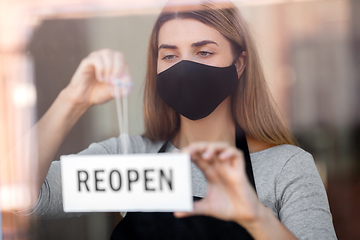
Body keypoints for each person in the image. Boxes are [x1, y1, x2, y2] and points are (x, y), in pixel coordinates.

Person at [19, 1, 337, 239]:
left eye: (203, 52)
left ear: (239, 65)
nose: (184, 68)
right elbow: (23, 199)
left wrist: (256, 217)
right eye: (170, 55)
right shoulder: (130, 158)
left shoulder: (286, 167)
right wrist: (72, 99)